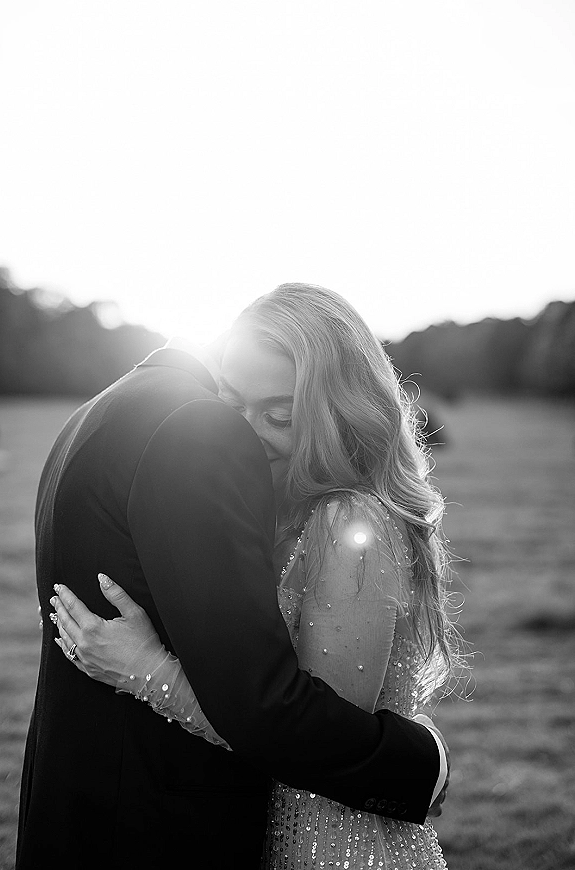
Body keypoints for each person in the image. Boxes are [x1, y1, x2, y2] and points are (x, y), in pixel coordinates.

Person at [45, 284, 458, 869]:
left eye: (278, 416)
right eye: (230, 403)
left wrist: (147, 672)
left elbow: (312, 739)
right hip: (269, 834)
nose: (241, 430)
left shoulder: (350, 524)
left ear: (337, 415)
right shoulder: (267, 508)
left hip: (338, 846)